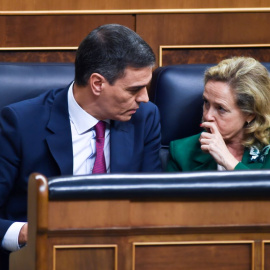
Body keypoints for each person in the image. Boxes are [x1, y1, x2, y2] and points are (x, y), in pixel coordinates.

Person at [0, 24, 162, 269]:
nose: (145, 98)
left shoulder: (145, 117)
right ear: (97, 83)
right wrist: (25, 233)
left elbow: (153, 203)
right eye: (134, 89)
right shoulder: (21, 124)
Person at [167, 56, 270, 172]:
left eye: (221, 108)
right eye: (206, 102)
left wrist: (228, 161)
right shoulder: (182, 152)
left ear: (250, 114)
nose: (207, 116)